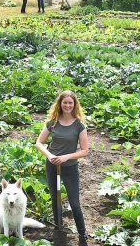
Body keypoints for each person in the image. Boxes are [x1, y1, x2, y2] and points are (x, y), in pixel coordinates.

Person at [35, 90, 90, 244]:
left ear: (74, 105)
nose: (67, 105)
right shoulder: (53, 122)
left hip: (69, 168)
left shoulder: (79, 126)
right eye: (64, 102)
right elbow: (39, 143)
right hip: (52, 165)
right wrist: (49, 155)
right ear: (60, 104)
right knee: (55, 198)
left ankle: (82, 234)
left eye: (70, 103)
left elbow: (85, 151)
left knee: (74, 203)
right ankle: (59, 228)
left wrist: (66, 156)